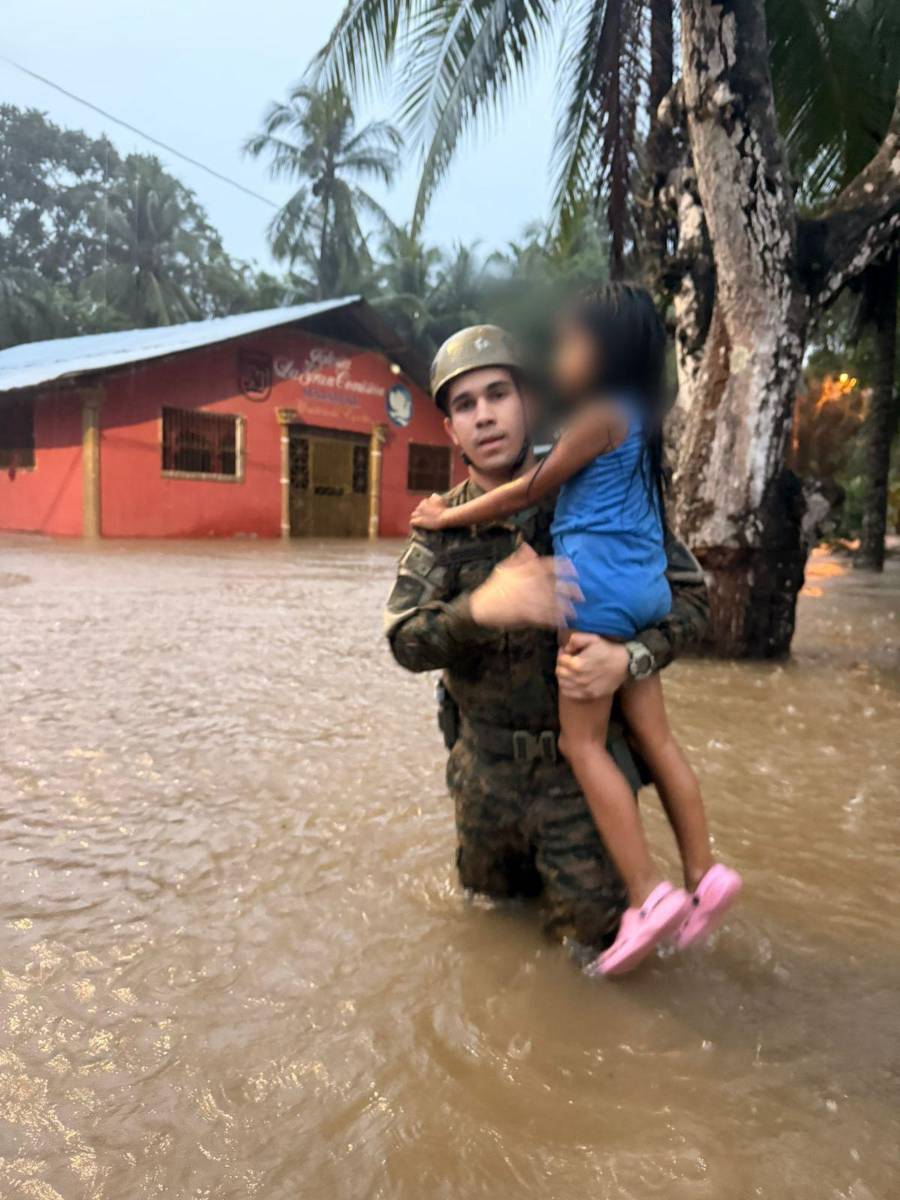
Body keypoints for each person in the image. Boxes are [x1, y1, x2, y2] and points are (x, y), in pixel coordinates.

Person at [411, 286, 742, 975]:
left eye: (497, 393)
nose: (484, 415)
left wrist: (631, 661)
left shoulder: (589, 482)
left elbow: (691, 607)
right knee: (485, 939)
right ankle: (692, 877)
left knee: (590, 964)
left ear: (527, 400)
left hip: (577, 798)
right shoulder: (435, 529)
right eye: (463, 404)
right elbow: (404, 641)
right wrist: (482, 608)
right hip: (483, 781)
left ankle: (656, 895)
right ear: (448, 428)